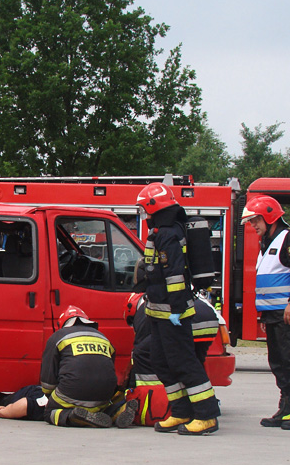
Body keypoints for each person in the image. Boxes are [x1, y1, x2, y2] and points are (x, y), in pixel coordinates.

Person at [136, 182, 220, 435]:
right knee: (162, 362)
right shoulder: (161, 231)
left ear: (154, 206)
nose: (144, 213)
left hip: (173, 312)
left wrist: (176, 309)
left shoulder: (168, 234)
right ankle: (181, 411)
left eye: (144, 208)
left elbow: (174, 275)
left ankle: (206, 416)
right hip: (158, 311)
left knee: (184, 362)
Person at [242, 195, 290, 430]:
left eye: (255, 221)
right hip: (274, 314)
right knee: (278, 361)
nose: (253, 226)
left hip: (289, 313)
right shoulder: (269, 241)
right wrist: (265, 315)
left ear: (269, 216)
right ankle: (287, 407)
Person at [40, 306, 138, 428]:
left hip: (72, 390)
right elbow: (108, 368)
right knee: (99, 409)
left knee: (49, 412)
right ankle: (118, 410)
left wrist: (50, 395)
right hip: (104, 394)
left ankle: (73, 416)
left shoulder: (58, 336)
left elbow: (48, 379)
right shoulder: (103, 337)